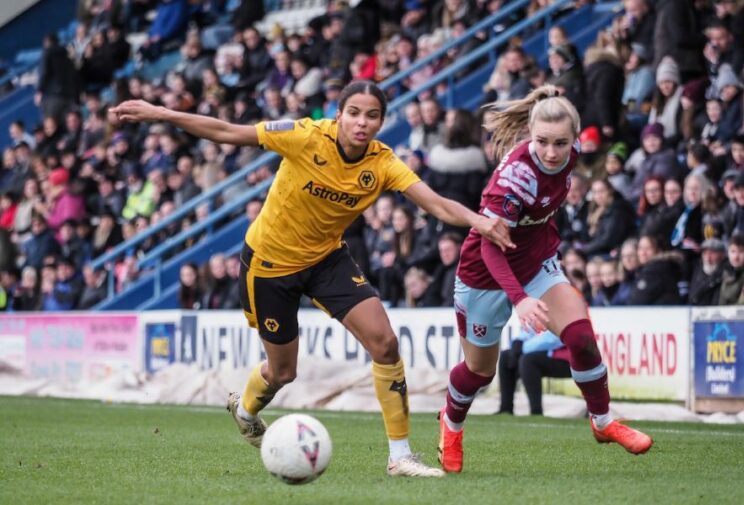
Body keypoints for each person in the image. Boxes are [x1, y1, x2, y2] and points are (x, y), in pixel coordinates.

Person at [110, 80, 512, 478]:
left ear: (381, 122)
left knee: (385, 343)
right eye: (353, 113)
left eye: (372, 116)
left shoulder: (383, 163)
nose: (362, 122)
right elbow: (228, 132)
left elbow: (436, 203)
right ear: (338, 115)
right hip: (269, 265)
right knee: (283, 372)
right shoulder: (303, 135)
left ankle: (401, 456)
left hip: (326, 260)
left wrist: (480, 221)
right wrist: (162, 114)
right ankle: (246, 409)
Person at [436, 85, 653, 475]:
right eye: (542, 143)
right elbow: (489, 247)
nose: (552, 152)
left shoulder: (572, 155)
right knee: (480, 373)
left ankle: (602, 423)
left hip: (536, 266)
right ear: (530, 137)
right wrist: (518, 300)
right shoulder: (516, 178)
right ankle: (450, 425)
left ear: (574, 138)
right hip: (484, 276)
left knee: (582, 340)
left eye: (560, 142)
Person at [497, 328, 571, 416]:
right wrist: (517, 342)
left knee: (528, 360)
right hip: (543, 352)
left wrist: (522, 348)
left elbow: (554, 339)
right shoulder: (540, 314)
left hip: (569, 358)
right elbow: (530, 331)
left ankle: (536, 411)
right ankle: (505, 409)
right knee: (506, 356)